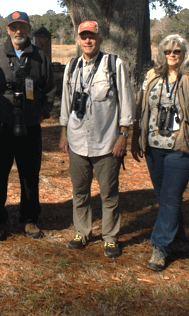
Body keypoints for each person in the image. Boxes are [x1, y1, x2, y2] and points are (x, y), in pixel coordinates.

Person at [131, 34, 189, 271]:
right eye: (168, 51)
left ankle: (160, 247)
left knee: (170, 196)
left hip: (183, 145)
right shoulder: (152, 76)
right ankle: (178, 239)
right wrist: (137, 138)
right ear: (161, 53)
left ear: (184, 53)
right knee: (164, 196)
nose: (172, 55)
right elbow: (141, 106)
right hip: (154, 146)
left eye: (177, 51)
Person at [59, 21, 134, 258]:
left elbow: (127, 102)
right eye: (84, 37)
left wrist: (123, 135)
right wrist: (63, 132)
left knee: (108, 193)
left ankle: (110, 237)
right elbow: (66, 102)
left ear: (100, 39)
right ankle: (83, 231)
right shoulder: (71, 67)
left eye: (92, 37)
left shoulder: (114, 65)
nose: (88, 41)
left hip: (106, 142)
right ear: (78, 40)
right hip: (77, 141)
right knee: (79, 191)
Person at [0, 11, 55, 241]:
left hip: (30, 126)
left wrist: (43, 113)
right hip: (0, 126)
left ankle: (29, 219)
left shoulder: (39, 56)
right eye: (14, 27)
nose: (18, 31)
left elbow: (49, 88)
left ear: (29, 29)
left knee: (29, 175)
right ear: (8, 30)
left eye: (22, 27)